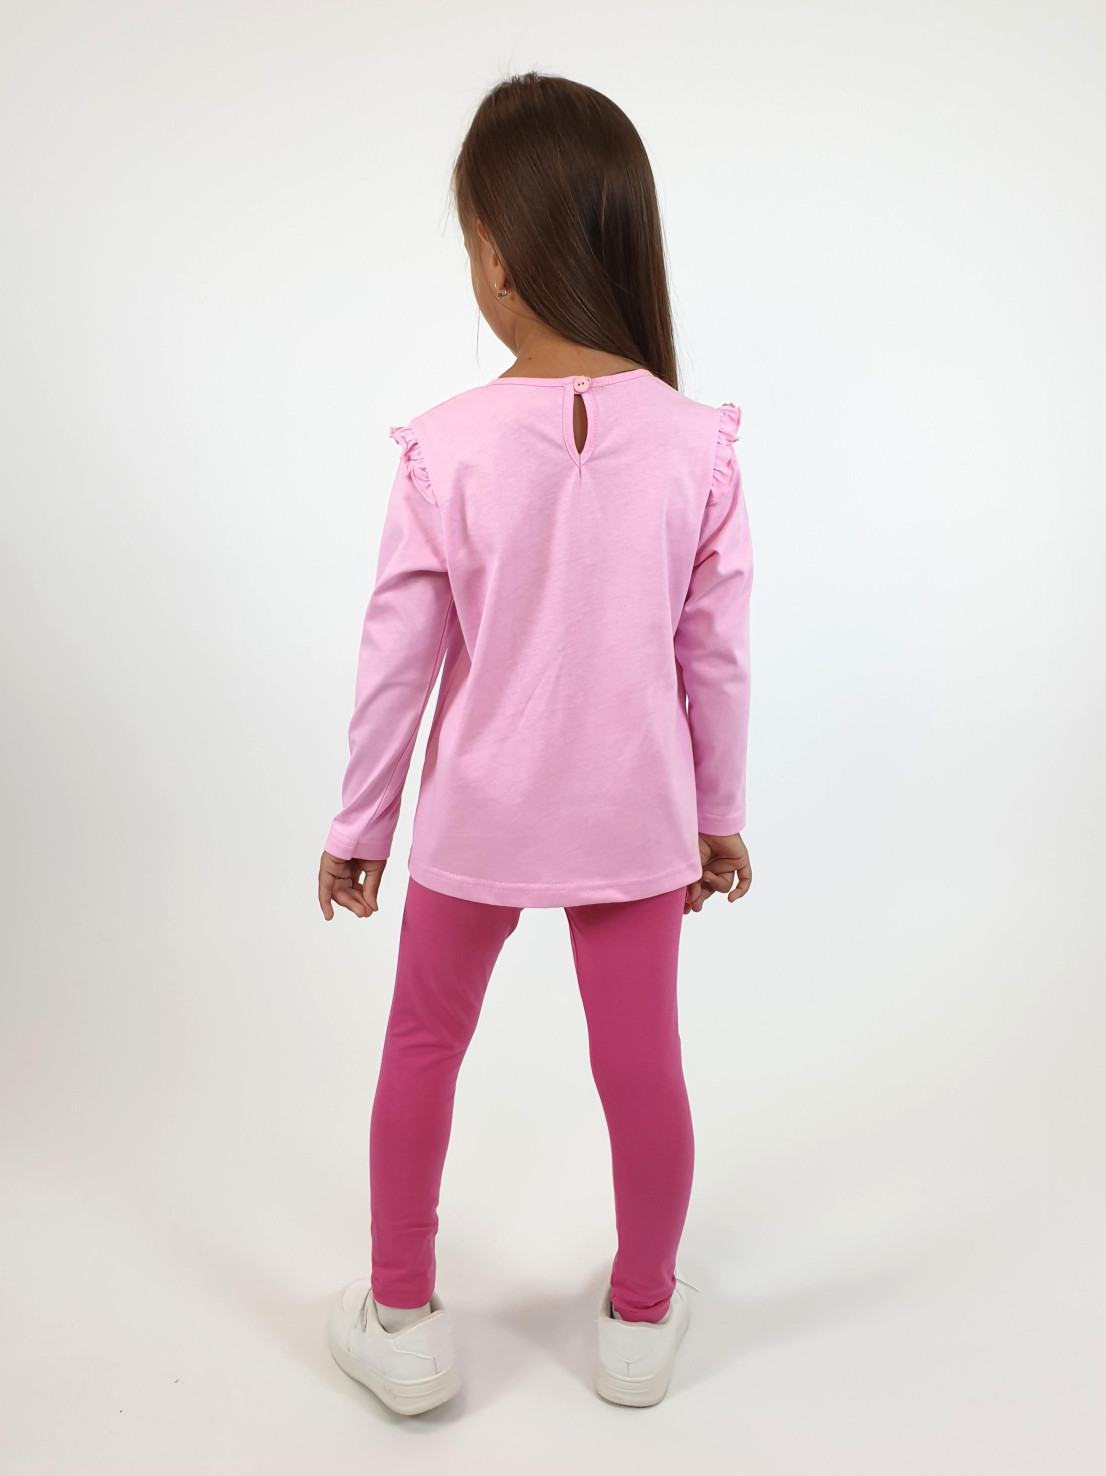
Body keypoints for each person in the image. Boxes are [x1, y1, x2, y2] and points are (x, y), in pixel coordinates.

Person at [319, 70, 753, 1415]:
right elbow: (715, 658)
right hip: (636, 818)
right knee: (642, 1065)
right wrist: (716, 812)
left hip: (477, 818)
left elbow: (397, 661)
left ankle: (401, 1317)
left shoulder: (442, 449)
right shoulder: (697, 446)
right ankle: (640, 1320)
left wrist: (359, 826)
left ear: (497, 257)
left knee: (421, 1047)